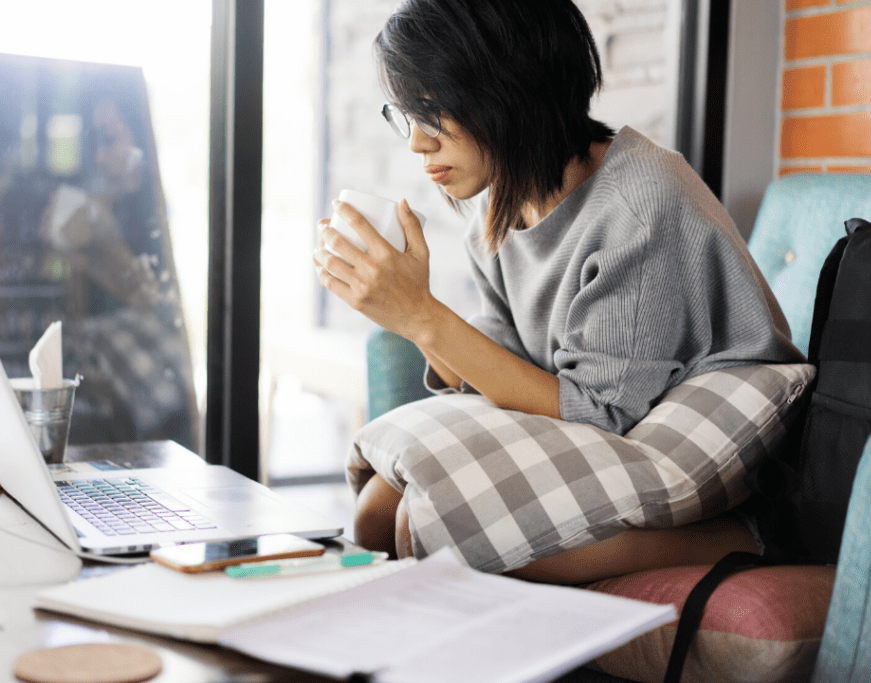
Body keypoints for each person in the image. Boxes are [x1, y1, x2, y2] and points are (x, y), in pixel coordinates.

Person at [312, 0, 805, 583]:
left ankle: (745, 535)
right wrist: (403, 311)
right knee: (375, 512)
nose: (418, 144)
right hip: (600, 414)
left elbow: (600, 415)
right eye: (407, 114)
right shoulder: (498, 209)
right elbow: (499, 368)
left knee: (426, 532)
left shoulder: (637, 205)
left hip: (697, 431)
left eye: (434, 110)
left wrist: (422, 317)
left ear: (512, 86)